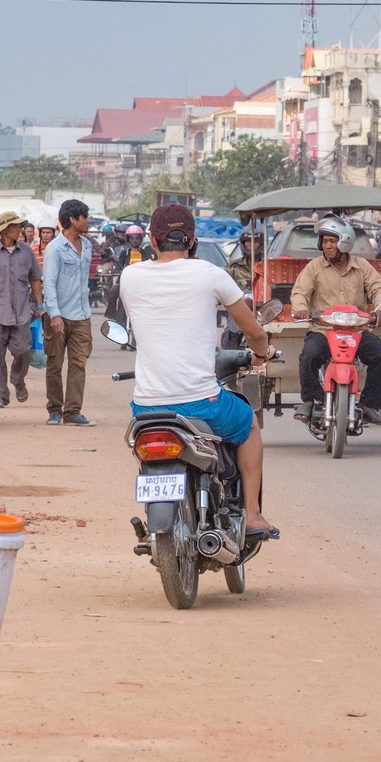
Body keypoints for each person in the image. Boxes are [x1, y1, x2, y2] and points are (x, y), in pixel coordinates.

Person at [121, 204, 278, 533]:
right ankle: (251, 514)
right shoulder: (211, 274)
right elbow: (254, 332)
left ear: (151, 240)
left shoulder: (129, 277)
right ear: (192, 240)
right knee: (248, 423)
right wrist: (262, 354)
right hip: (201, 404)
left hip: (146, 407)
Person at [290, 216, 381, 424]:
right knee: (308, 356)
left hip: (356, 331)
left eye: (332, 241)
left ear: (345, 242)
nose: (327, 246)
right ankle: (310, 400)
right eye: (325, 241)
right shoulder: (314, 267)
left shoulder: (362, 266)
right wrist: (301, 308)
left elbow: (376, 288)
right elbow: (299, 292)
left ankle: (369, 404)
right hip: (323, 329)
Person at [0, 212, 43, 409]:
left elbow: (35, 280)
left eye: (20, 226)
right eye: (15, 227)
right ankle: (0, 395)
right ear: (4, 230)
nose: (19, 230)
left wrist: (39, 305)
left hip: (22, 312)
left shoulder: (27, 252)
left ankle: (17, 380)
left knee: (23, 351)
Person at [42, 198, 96, 427]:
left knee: (78, 363)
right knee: (55, 363)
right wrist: (54, 314)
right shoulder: (54, 249)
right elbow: (49, 284)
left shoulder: (89, 246)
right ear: (73, 220)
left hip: (82, 315)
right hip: (58, 315)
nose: (88, 221)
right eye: (85, 217)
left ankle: (73, 411)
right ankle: (55, 410)